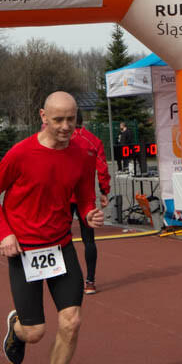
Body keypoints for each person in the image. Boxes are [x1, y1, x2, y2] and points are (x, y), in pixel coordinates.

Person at [0, 91, 104, 364]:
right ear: (43, 117)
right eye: (59, 119)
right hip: (23, 249)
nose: (66, 126)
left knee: (72, 320)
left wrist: (91, 212)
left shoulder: (83, 155)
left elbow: (85, 195)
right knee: (35, 333)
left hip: (61, 247)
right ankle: (18, 326)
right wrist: (4, 233)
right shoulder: (21, 154)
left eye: (72, 119)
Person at [70, 110, 111, 294]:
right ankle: (90, 281)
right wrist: (104, 191)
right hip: (86, 199)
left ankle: (68, 280)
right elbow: (102, 167)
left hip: (65, 197)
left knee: (62, 239)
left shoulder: (63, 140)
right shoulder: (93, 141)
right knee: (89, 240)